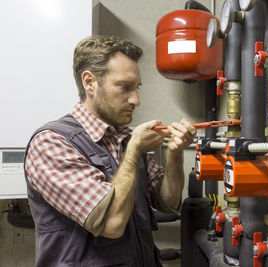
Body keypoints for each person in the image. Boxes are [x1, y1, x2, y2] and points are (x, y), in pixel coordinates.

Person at [24, 35, 196, 267]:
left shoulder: (123, 137)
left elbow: (168, 202)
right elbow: (112, 224)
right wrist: (135, 149)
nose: (136, 100)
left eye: (137, 88)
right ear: (89, 83)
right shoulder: (51, 143)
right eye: (124, 87)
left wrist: (174, 154)